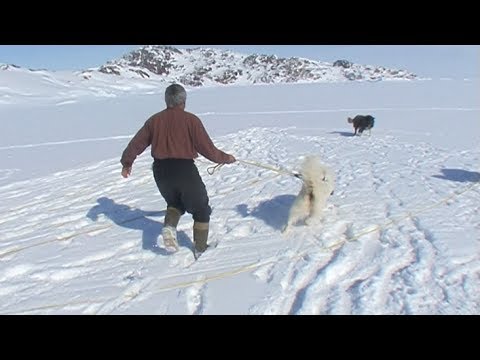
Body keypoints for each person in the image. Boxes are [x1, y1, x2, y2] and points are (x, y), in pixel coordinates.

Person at [120, 84, 236, 258]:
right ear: (184, 101)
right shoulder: (191, 120)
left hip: (160, 172)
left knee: (175, 203)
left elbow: (136, 143)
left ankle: (169, 227)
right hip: (184, 171)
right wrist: (226, 158)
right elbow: (207, 149)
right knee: (201, 208)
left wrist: (127, 163)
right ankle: (201, 249)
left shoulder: (154, 120)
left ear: (167, 100)